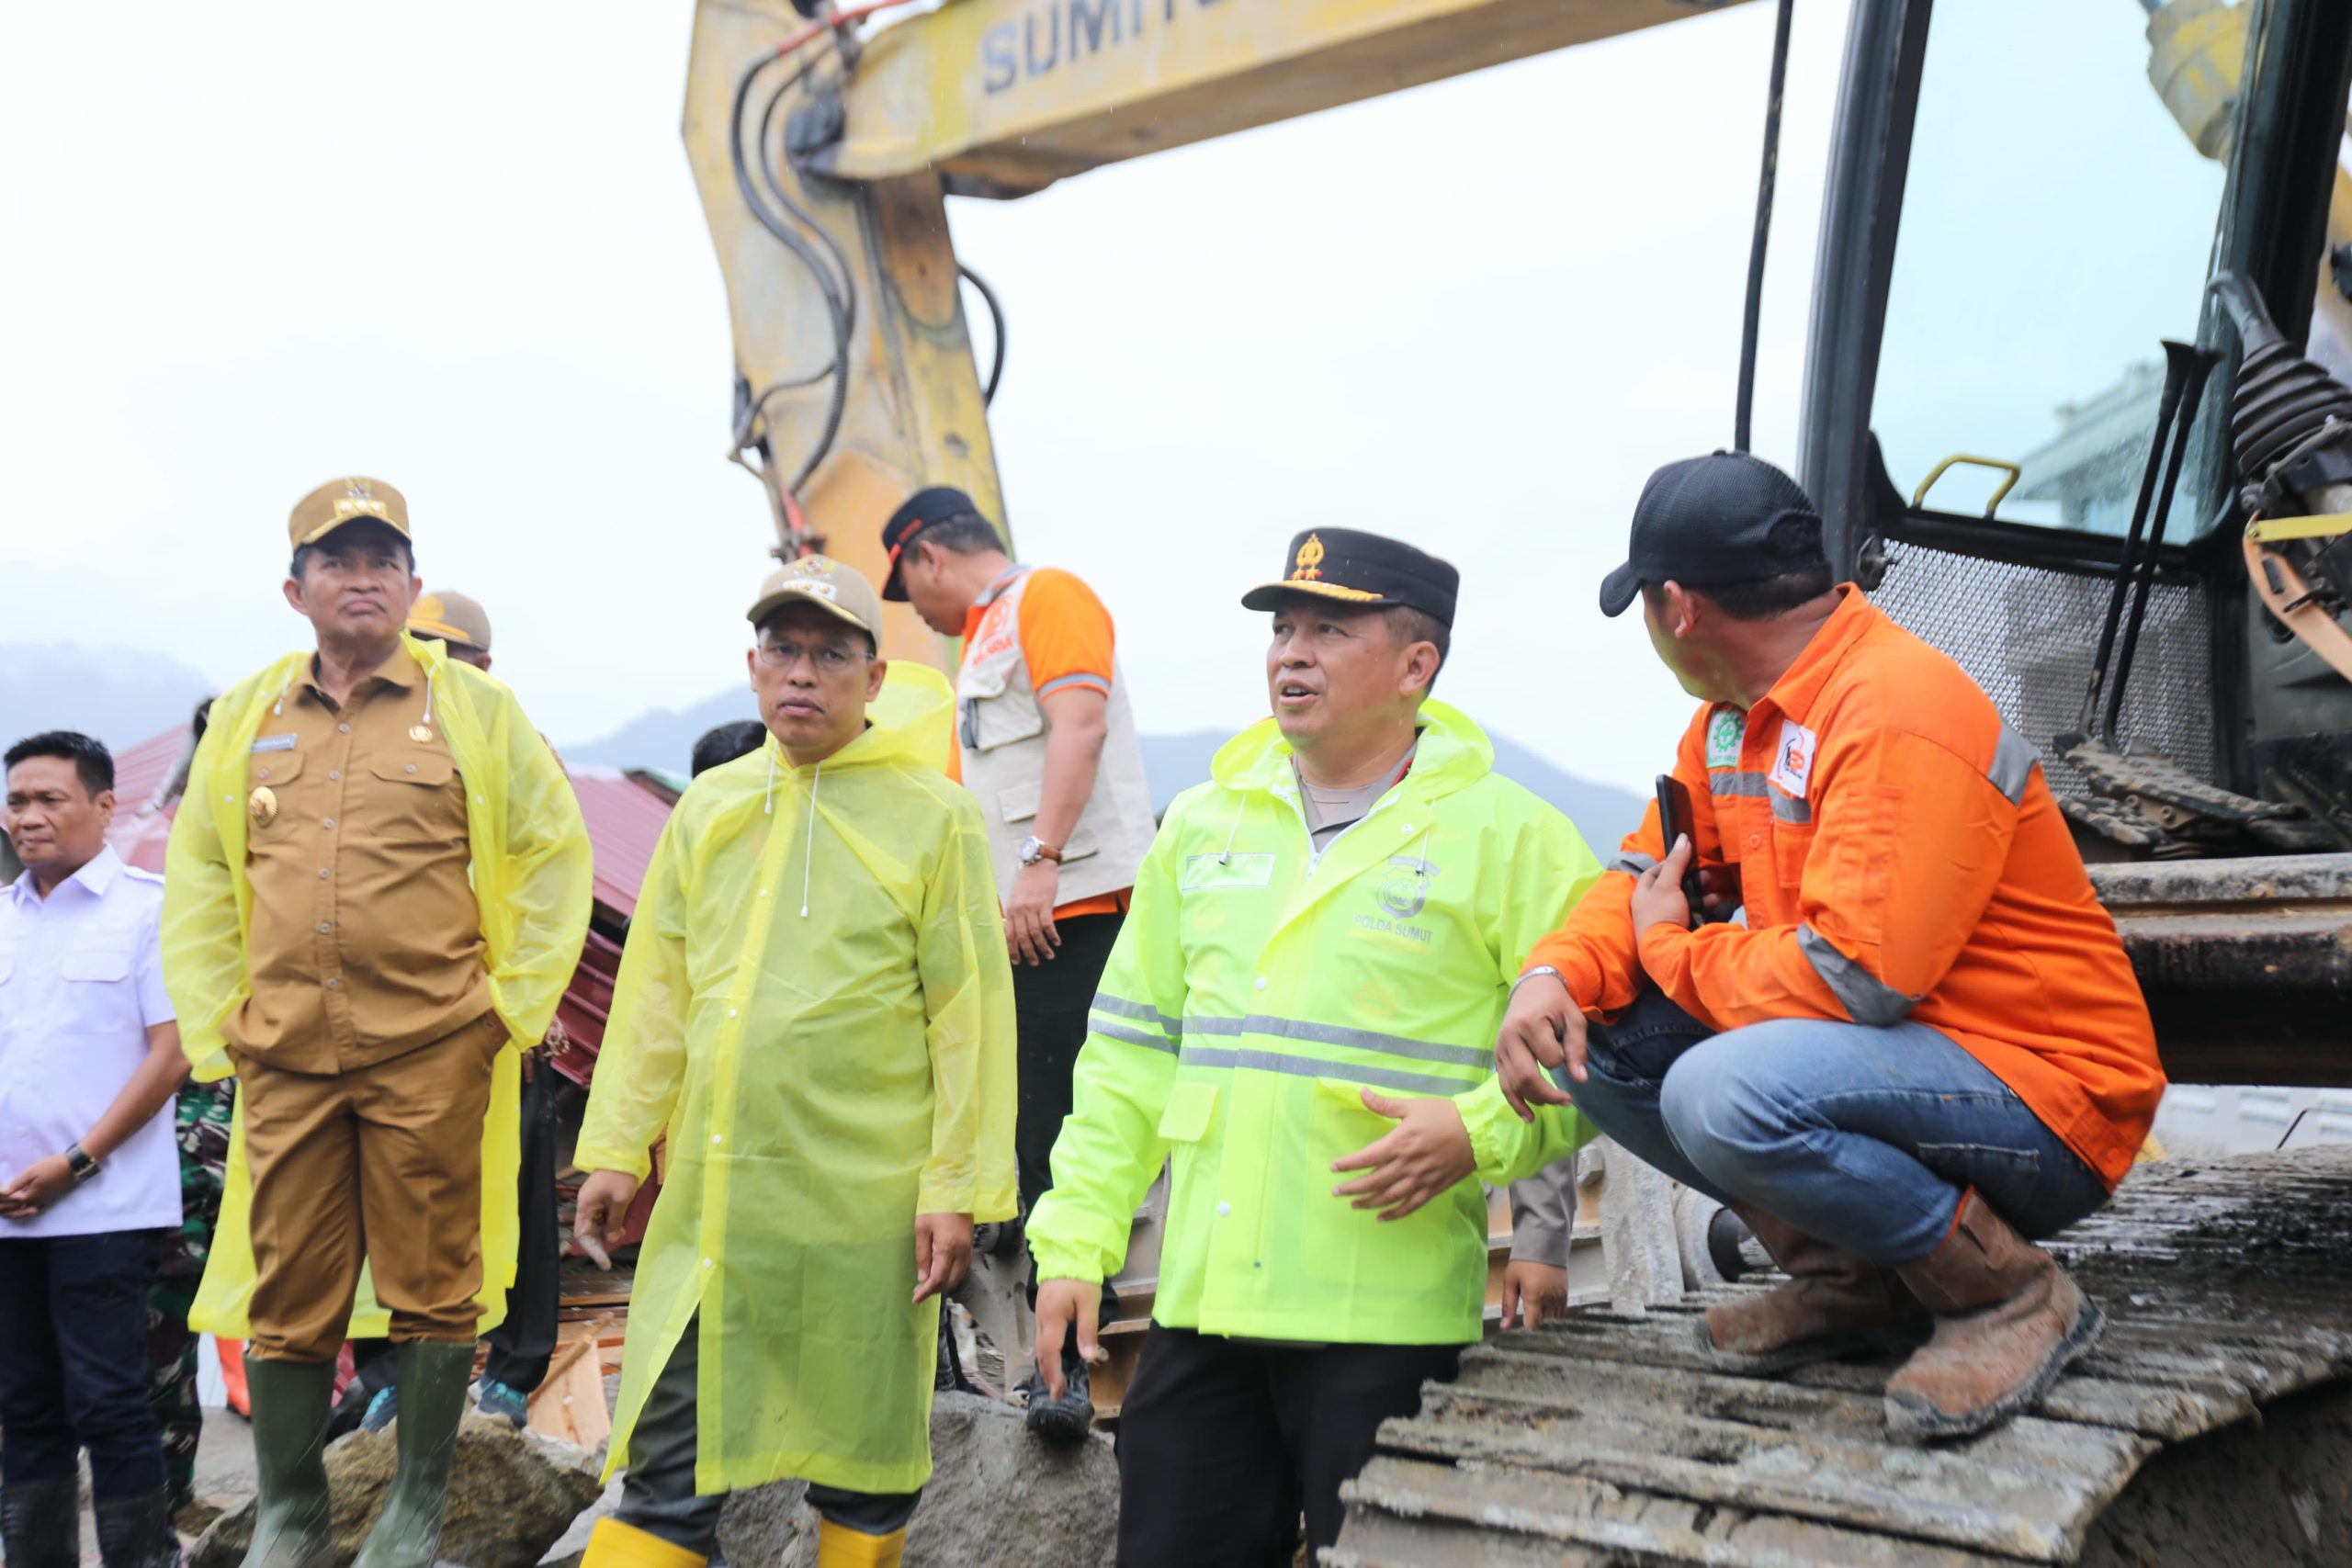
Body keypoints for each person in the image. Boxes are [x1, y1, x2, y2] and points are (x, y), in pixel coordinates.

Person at [1495, 451, 2166, 1439]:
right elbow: (1646, 873)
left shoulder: (1892, 706)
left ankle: (2004, 1295)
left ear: (1677, 607)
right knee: (1589, 1029)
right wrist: (1551, 976)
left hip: (2045, 1100)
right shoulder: (1731, 728)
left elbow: (1856, 979)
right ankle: (1858, 1283)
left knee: (1715, 1091)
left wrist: (1675, 953)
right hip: (1892, 1071)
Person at [1026, 529, 1600, 1563]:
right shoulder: (1202, 827)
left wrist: (1478, 1134)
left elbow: (1601, 1056)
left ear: (1416, 666)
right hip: (1206, 1312)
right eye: (1282, 629)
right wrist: (1074, 1244)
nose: (1290, 652)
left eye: (1328, 629)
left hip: (1385, 1324)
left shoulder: (1515, 839)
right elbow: (1125, 1057)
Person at [163, 476, 594, 1568]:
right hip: (289, 1057)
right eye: (337, 561)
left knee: (435, 1282)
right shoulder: (251, 711)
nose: (362, 578)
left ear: (410, 583)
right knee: (289, 1286)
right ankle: (295, 1513)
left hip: (434, 1049)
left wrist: (509, 1013)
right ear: (295, 588)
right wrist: (222, 1026)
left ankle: (415, 1505)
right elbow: (203, 871)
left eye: (382, 560)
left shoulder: (475, 709)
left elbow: (554, 856)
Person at [571, 555, 1017, 1568]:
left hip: (863, 1208)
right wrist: (614, 1149)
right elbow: (653, 1001)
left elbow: (968, 1020)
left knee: (863, 1459)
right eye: (783, 650)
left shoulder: (933, 816)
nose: (802, 673)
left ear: (872, 676)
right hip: (719, 1205)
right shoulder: (710, 808)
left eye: (829, 654)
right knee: (663, 1460)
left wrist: (958, 1186)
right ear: (752, 665)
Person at [880, 486, 1158, 1435]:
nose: (915, 609)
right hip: (1021, 929)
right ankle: (1045, 1347)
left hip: (1076, 914)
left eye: (907, 586)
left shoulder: (1048, 597)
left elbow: (1077, 725)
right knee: (1032, 1129)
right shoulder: (983, 643)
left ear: (925, 556)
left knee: (1067, 1135)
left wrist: (1038, 863)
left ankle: (1067, 1365)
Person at [0, 731, 191, 1568]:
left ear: (105, 806)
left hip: (101, 1209)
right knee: (24, 1407)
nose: (28, 817)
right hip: (8, 1214)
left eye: (50, 799)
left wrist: (75, 1162)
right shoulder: (2, 919)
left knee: (112, 1403)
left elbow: (171, 1053)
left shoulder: (148, 909)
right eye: (16, 801)